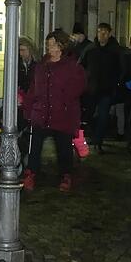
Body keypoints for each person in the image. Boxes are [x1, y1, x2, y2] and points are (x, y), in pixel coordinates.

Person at [22, 31, 86, 192]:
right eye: (48, 44)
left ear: (61, 46)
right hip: (41, 113)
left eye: (53, 44)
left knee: (63, 146)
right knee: (34, 146)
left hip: (61, 114)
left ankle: (66, 175)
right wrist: (29, 108)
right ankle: (31, 173)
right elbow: (34, 89)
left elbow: (77, 87)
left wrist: (64, 101)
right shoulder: (41, 66)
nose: (49, 48)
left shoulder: (71, 66)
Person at [80, 23, 123, 154]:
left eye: (104, 32)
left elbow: (122, 69)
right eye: (99, 32)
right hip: (91, 89)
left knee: (103, 115)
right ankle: (93, 136)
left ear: (109, 34)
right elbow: (81, 66)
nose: (101, 35)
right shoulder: (91, 49)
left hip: (107, 89)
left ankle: (98, 140)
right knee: (89, 115)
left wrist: (116, 83)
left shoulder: (115, 51)